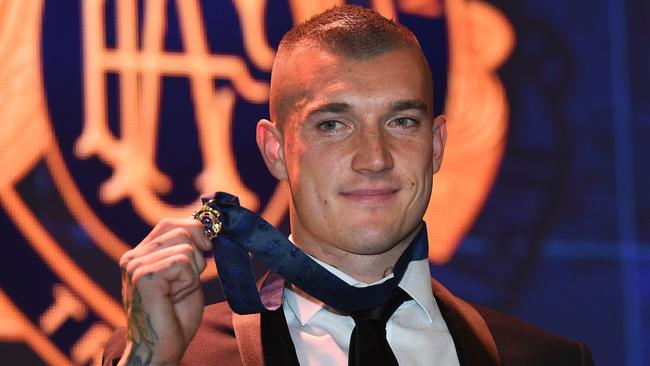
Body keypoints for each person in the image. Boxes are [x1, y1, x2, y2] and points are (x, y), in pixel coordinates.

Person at [103, 5, 594, 366]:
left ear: (437, 145)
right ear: (277, 151)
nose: (374, 159)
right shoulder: (168, 356)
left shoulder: (550, 359)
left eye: (402, 121)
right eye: (333, 125)